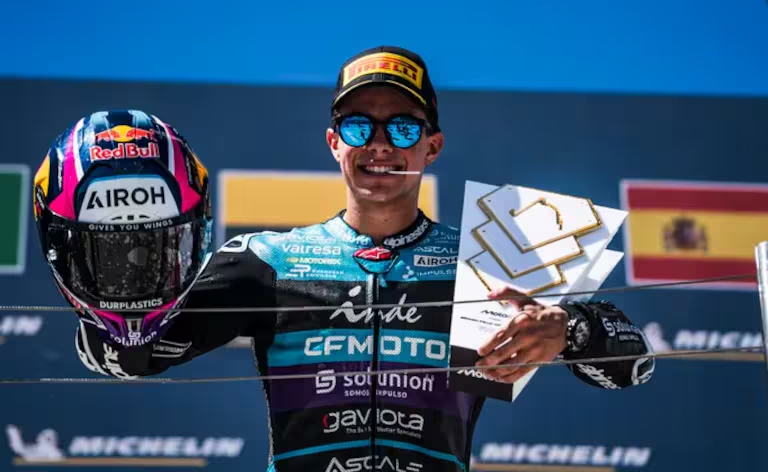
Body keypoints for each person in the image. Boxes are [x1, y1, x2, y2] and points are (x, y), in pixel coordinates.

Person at [33, 48, 654, 472]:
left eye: (403, 129)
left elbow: (636, 367)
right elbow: (129, 358)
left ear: (433, 146)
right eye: (359, 127)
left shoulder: (491, 258)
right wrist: (113, 287)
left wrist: (569, 329)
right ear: (334, 143)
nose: (380, 145)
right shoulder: (265, 259)